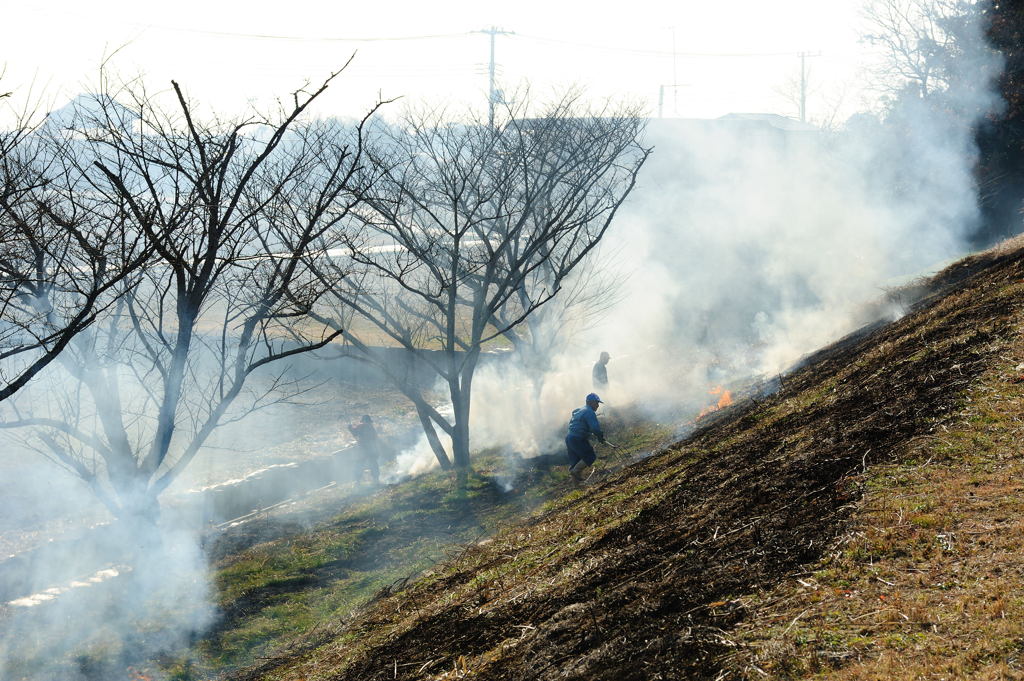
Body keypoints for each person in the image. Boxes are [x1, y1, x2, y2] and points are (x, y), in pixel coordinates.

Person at [565, 393, 609, 481]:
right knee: (590, 456)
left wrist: (589, 435)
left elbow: (578, 425)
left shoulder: (580, 410)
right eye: (596, 403)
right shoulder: (589, 412)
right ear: (590, 402)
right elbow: (595, 428)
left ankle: (576, 486)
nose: (597, 405)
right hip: (577, 438)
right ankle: (575, 472)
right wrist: (600, 436)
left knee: (576, 461)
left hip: (569, 437)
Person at [348, 414, 381, 484]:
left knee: (359, 465)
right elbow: (375, 439)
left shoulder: (362, 426)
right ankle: (376, 479)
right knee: (373, 464)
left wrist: (350, 427)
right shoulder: (372, 428)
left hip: (363, 450)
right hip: (372, 449)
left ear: (364, 421)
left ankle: (357, 481)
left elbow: (355, 432)